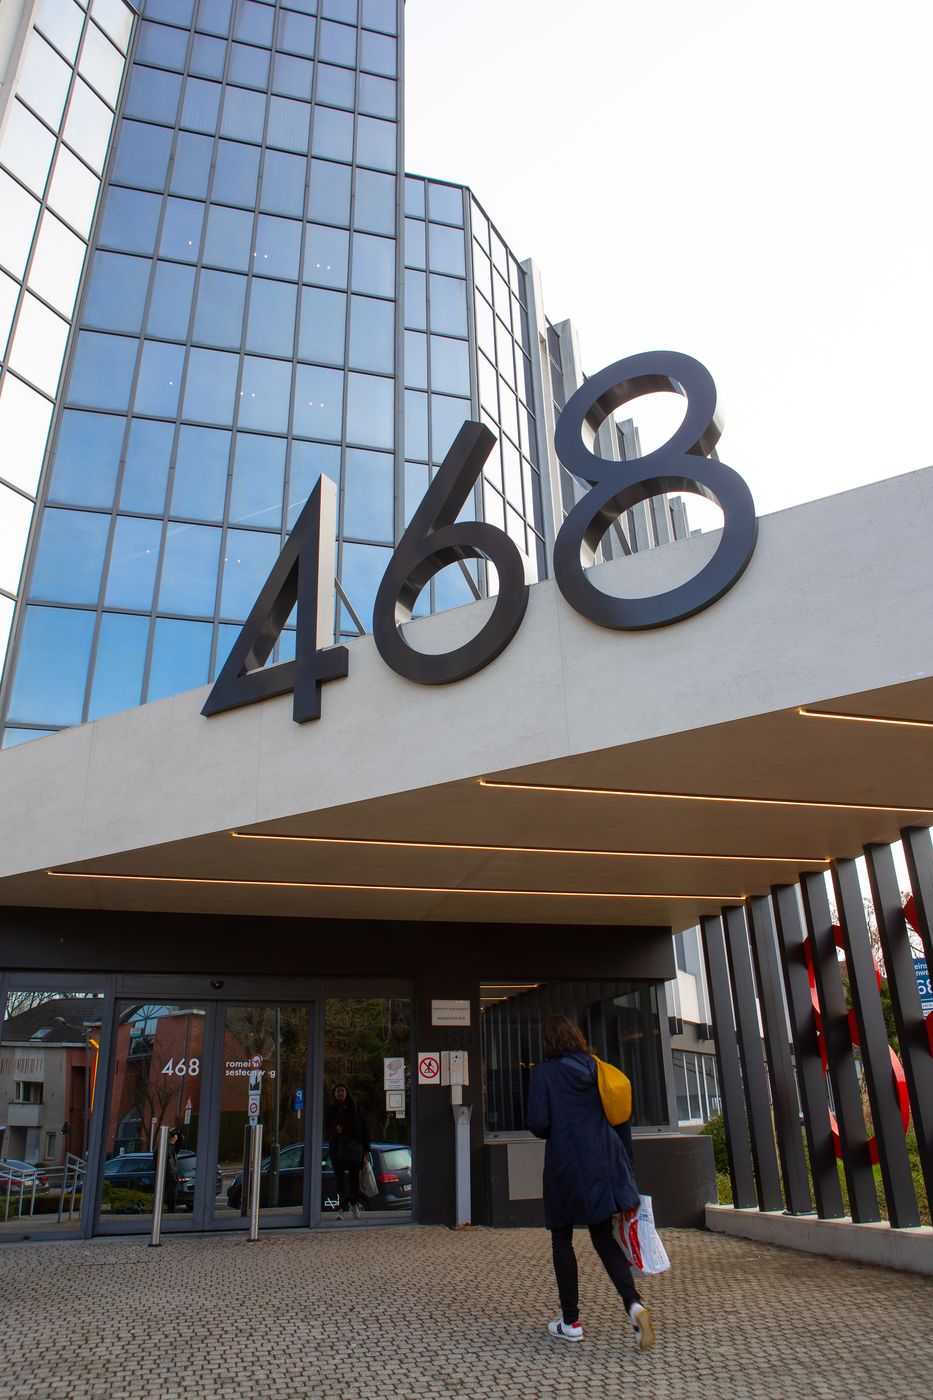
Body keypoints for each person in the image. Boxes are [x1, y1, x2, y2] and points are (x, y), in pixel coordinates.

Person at [527, 1014, 655, 1350]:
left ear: (549, 1043)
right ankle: (634, 1304)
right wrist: (628, 1172)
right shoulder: (599, 1069)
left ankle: (570, 1322)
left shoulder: (544, 1074)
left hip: (566, 1166)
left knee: (562, 1238)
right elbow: (620, 1120)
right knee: (603, 1238)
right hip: (604, 1163)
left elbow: (538, 1123)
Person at [325, 1084, 370, 1219]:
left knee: (354, 1178)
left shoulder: (355, 1108)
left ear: (346, 1092)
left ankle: (354, 1204)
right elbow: (326, 1127)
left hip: (353, 1148)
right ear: (334, 1094)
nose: (340, 1093)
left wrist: (366, 1150)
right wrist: (335, 1131)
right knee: (340, 1180)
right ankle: (341, 1208)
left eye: (342, 1090)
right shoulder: (332, 1109)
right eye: (337, 1090)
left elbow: (364, 1128)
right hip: (337, 1147)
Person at [164, 1126, 183, 1214]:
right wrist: (171, 1143)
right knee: (168, 1200)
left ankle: (170, 1213)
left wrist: (178, 1134)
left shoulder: (172, 1148)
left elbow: (180, 1143)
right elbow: (166, 1155)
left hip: (173, 1178)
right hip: (167, 1178)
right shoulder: (162, 1148)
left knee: (172, 1202)